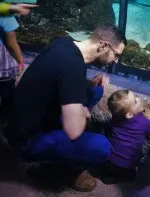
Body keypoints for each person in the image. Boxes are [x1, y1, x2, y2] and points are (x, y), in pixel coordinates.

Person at [5, 24, 127, 192]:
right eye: (117, 54)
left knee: (96, 90)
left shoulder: (64, 43)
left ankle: (63, 142)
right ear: (103, 45)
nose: (116, 60)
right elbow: (74, 130)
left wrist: (81, 101)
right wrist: (80, 114)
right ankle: (67, 171)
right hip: (27, 138)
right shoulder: (73, 68)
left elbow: (59, 81)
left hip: (27, 116)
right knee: (102, 146)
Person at [91, 89, 150, 184]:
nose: (138, 98)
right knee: (133, 173)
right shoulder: (143, 122)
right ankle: (118, 178)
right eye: (135, 101)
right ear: (129, 114)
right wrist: (149, 118)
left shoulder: (116, 118)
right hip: (125, 168)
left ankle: (107, 173)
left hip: (108, 161)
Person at [0, 14, 24, 123]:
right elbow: (11, 43)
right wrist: (20, 62)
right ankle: (4, 123)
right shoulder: (5, 14)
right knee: (7, 92)